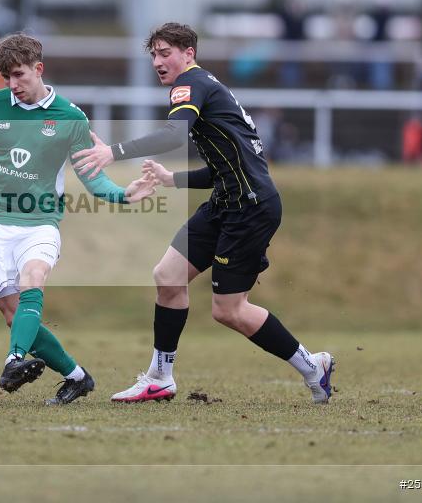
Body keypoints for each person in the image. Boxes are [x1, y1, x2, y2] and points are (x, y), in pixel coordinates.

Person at [71, 22, 335, 404]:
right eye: (154, 55)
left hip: (250, 208)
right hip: (226, 201)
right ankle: (160, 377)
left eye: (166, 53)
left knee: (229, 310)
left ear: (188, 53)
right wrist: (170, 179)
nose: (158, 62)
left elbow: (173, 136)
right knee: (168, 275)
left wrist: (114, 151)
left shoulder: (190, 84)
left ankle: (313, 367)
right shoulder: (204, 89)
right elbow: (222, 166)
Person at [0, 33, 156, 405]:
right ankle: (77, 378)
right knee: (12, 313)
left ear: (38, 69)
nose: (13, 86)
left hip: (41, 220)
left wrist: (123, 194)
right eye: (7, 79)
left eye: (19, 76)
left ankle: (14, 360)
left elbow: (92, 175)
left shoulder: (70, 117)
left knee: (34, 278)